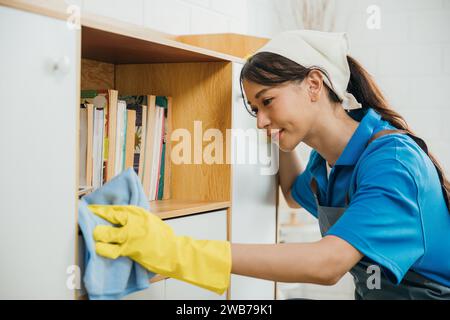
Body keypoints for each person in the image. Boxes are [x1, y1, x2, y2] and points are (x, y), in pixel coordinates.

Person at [88, 30, 450, 300]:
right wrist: (278, 136)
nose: (260, 120)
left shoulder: (391, 161)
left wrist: (178, 251)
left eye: (267, 102)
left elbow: (327, 265)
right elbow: (295, 194)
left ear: (313, 83)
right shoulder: (326, 164)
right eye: (254, 110)